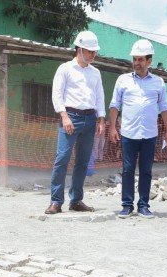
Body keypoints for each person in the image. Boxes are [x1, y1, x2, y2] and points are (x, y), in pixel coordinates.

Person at [108, 40, 167, 219]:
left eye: (141, 59)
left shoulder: (158, 82)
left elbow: (164, 108)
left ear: (149, 61)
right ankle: (127, 205)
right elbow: (115, 104)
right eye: (134, 59)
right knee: (127, 170)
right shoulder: (123, 80)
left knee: (146, 171)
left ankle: (143, 205)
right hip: (128, 133)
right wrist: (112, 127)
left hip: (150, 135)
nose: (136, 63)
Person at [45, 31, 106, 214]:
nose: (93, 55)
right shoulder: (65, 69)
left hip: (90, 119)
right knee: (62, 159)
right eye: (90, 51)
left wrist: (101, 119)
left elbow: (100, 96)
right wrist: (64, 116)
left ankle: (76, 200)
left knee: (83, 161)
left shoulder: (96, 73)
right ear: (79, 49)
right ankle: (56, 201)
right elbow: (57, 94)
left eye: (95, 52)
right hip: (70, 118)